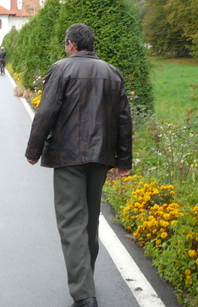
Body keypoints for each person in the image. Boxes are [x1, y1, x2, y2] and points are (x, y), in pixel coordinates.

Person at [25, 24, 132, 307]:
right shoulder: (113, 73)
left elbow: (46, 111)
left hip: (68, 155)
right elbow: (124, 119)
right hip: (101, 157)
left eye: (65, 43)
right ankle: (87, 282)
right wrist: (124, 161)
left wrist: (33, 150)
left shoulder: (61, 69)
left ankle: (84, 295)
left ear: (71, 44)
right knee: (90, 222)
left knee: (71, 222)